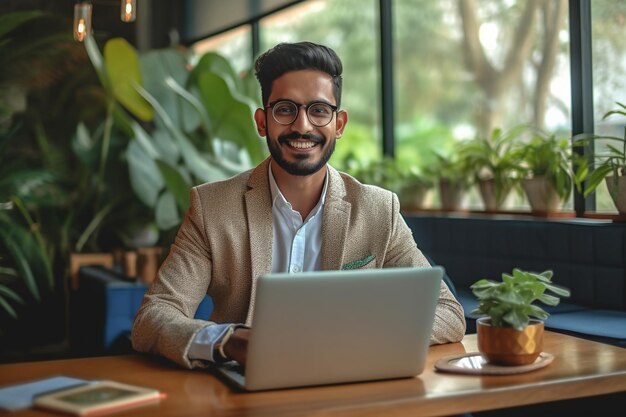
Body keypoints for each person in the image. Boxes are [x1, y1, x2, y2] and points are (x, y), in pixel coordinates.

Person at [131, 41, 466, 369]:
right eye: (285, 109)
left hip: (349, 389)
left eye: (319, 110)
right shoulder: (213, 208)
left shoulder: (379, 210)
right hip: (246, 392)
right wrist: (228, 340)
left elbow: (448, 313)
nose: (302, 125)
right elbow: (154, 317)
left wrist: (353, 339)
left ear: (339, 124)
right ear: (263, 122)